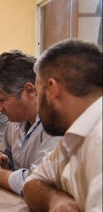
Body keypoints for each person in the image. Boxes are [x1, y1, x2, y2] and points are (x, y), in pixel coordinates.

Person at [23, 39, 102, 211]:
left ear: (52, 90)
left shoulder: (99, 139)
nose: (36, 104)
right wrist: (54, 199)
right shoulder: (74, 135)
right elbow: (31, 182)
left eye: (37, 93)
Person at [0, 50, 60, 196]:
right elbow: (7, 161)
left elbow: (39, 182)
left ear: (29, 91)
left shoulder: (58, 123)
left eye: (1, 100)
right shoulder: (16, 119)